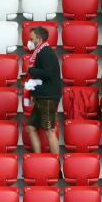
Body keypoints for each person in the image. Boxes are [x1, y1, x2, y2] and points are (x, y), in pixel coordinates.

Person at [23, 26, 62, 154]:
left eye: (31, 39)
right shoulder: (40, 52)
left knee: (49, 130)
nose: (29, 41)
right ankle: (38, 160)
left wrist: (30, 71)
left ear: (39, 39)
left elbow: (48, 73)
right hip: (42, 97)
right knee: (30, 127)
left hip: (48, 97)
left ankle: (57, 169)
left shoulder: (45, 52)